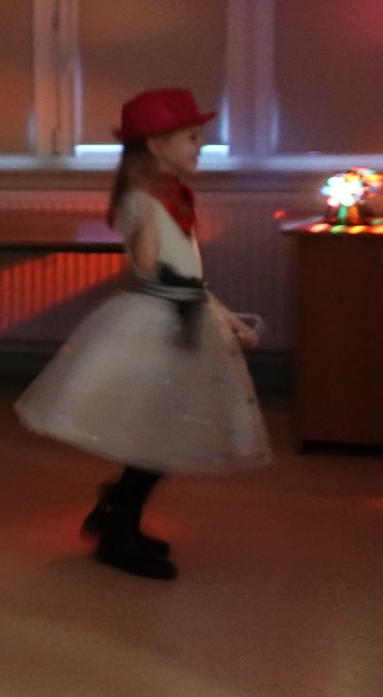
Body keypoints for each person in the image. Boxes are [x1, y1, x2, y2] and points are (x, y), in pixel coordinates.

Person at [15, 88, 268, 580]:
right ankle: (118, 529)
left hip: (182, 317)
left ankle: (117, 510)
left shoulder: (171, 197)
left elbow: (189, 276)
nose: (200, 146)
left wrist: (227, 317)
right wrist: (151, 217)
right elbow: (153, 267)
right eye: (191, 137)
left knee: (162, 435)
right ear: (156, 145)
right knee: (158, 436)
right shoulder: (146, 200)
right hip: (157, 324)